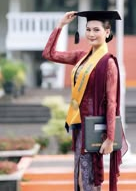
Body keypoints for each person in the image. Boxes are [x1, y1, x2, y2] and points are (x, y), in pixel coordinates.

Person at [42, 10, 128, 191]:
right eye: (88, 29)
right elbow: (49, 54)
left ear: (107, 32)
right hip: (79, 124)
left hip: (94, 127)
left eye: (96, 30)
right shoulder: (81, 56)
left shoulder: (108, 63)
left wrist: (110, 138)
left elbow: (112, 103)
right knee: (80, 176)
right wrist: (60, 25)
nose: (91, 34)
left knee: (87, 177)